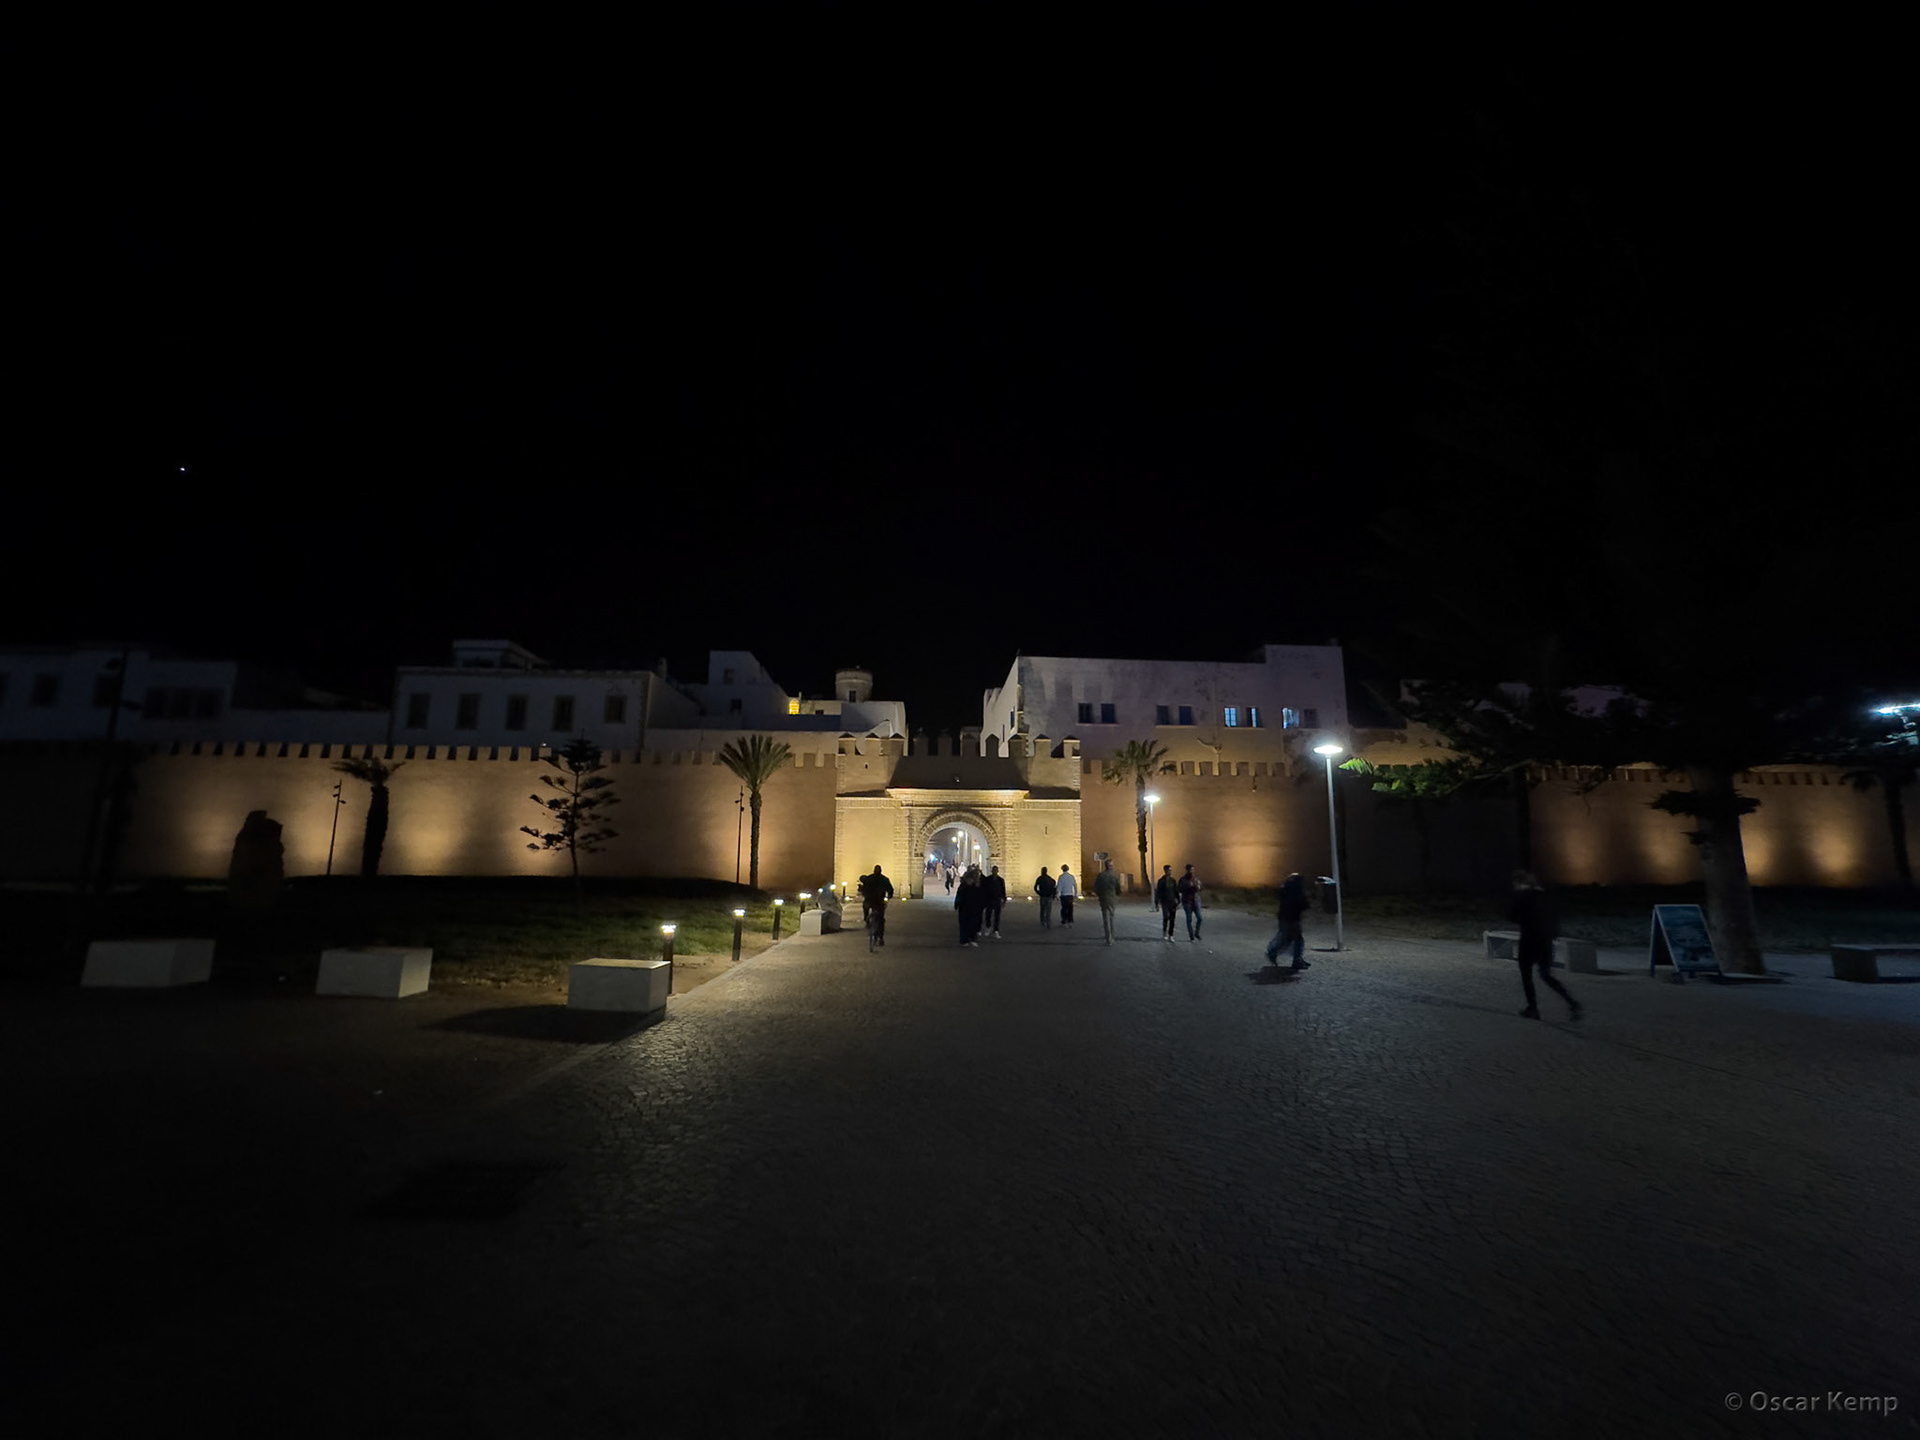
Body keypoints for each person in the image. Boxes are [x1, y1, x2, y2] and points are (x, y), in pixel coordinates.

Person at [1510, 870, 1581, 1020]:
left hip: (1528, 941)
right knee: (1546, 974)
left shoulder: (1522, 896)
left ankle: (1533, 1008)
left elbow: (1511, 916)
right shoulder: (1546, 896)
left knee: (1526, 975)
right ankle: (1571, 1001)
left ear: (1518, 883)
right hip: (1546, 941)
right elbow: (1554, 918)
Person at [1266, 872, 1311, 972]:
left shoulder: (1284, 889)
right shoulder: (1297, 890)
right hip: (1293, 918)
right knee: (1298, 940)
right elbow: (1302, 903)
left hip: (1283, 917)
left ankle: (1273, 952)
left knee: (1286, 938)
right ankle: (1296, 961)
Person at [857, 864, 894, 946]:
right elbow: (890, 889)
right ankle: (880, 937)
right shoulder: (884, 879)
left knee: (866, 907)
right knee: (881, 919)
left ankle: (866, 920)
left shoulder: (869, 878)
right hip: (879, 901)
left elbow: (863, 888)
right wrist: (890, 896)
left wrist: (862, 891)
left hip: (871, 900)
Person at [1092, 858, 1123, 945]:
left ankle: (1108, 937)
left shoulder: (1101, 876)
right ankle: (1112, 936)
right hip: (1112, 899)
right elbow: (1118, 888)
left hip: (1103, 899)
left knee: (1106, 919)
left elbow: (1096, 888)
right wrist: (1117, 895)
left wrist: (1099, 895)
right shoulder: (1115, 876)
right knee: (1111, 918)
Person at [955, 864, 986, 947]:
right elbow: (960, 895)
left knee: (970, 923)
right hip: (968, 907)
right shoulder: (969, 886)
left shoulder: (974, 886)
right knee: (968, 923)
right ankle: (968, 939)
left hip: (970, 907)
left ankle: (968, 939)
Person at [1153, 864, 1181, 942]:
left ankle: (1171, 934)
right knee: (1166, 917)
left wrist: (1178, 901)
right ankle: (1164, 932)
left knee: (1172, 919)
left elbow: (1176, 891)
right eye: (1168, 870)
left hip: (1172, 902)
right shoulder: (1161, 881)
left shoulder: (1173, 880)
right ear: (1165, 871)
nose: (1170, 872)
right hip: (1164, 902)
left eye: (1170, 870)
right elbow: (1158, 892)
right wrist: (1156, 903)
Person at [1177, 863, 1203, 941]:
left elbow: (1200, 888)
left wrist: (1198, 887)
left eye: (1192, 870)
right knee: (1189, 919)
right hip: (1187, 901)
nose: (1191, 871)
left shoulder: (1196, 879)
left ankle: (1197, 933)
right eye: (1190, 870)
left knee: (1200, 918)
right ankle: (1191, 935)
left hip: (1195, 900)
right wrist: (1188, 888)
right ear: (1186, 870)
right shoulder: (1183, 880)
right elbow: (1179, 889)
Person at [982, 865, 1007, 938]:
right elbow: (984, 890)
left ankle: (996, 930)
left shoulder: (1000, 880)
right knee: (988, 915)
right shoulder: (987, 880)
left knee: (997, 916)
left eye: (996, 870)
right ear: (992, 871)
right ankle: (988, 927)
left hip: (997, 900)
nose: (995, 872)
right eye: (994, 870)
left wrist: (1004, 899)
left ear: (997, 871)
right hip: (989, 900)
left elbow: (1003, 890)